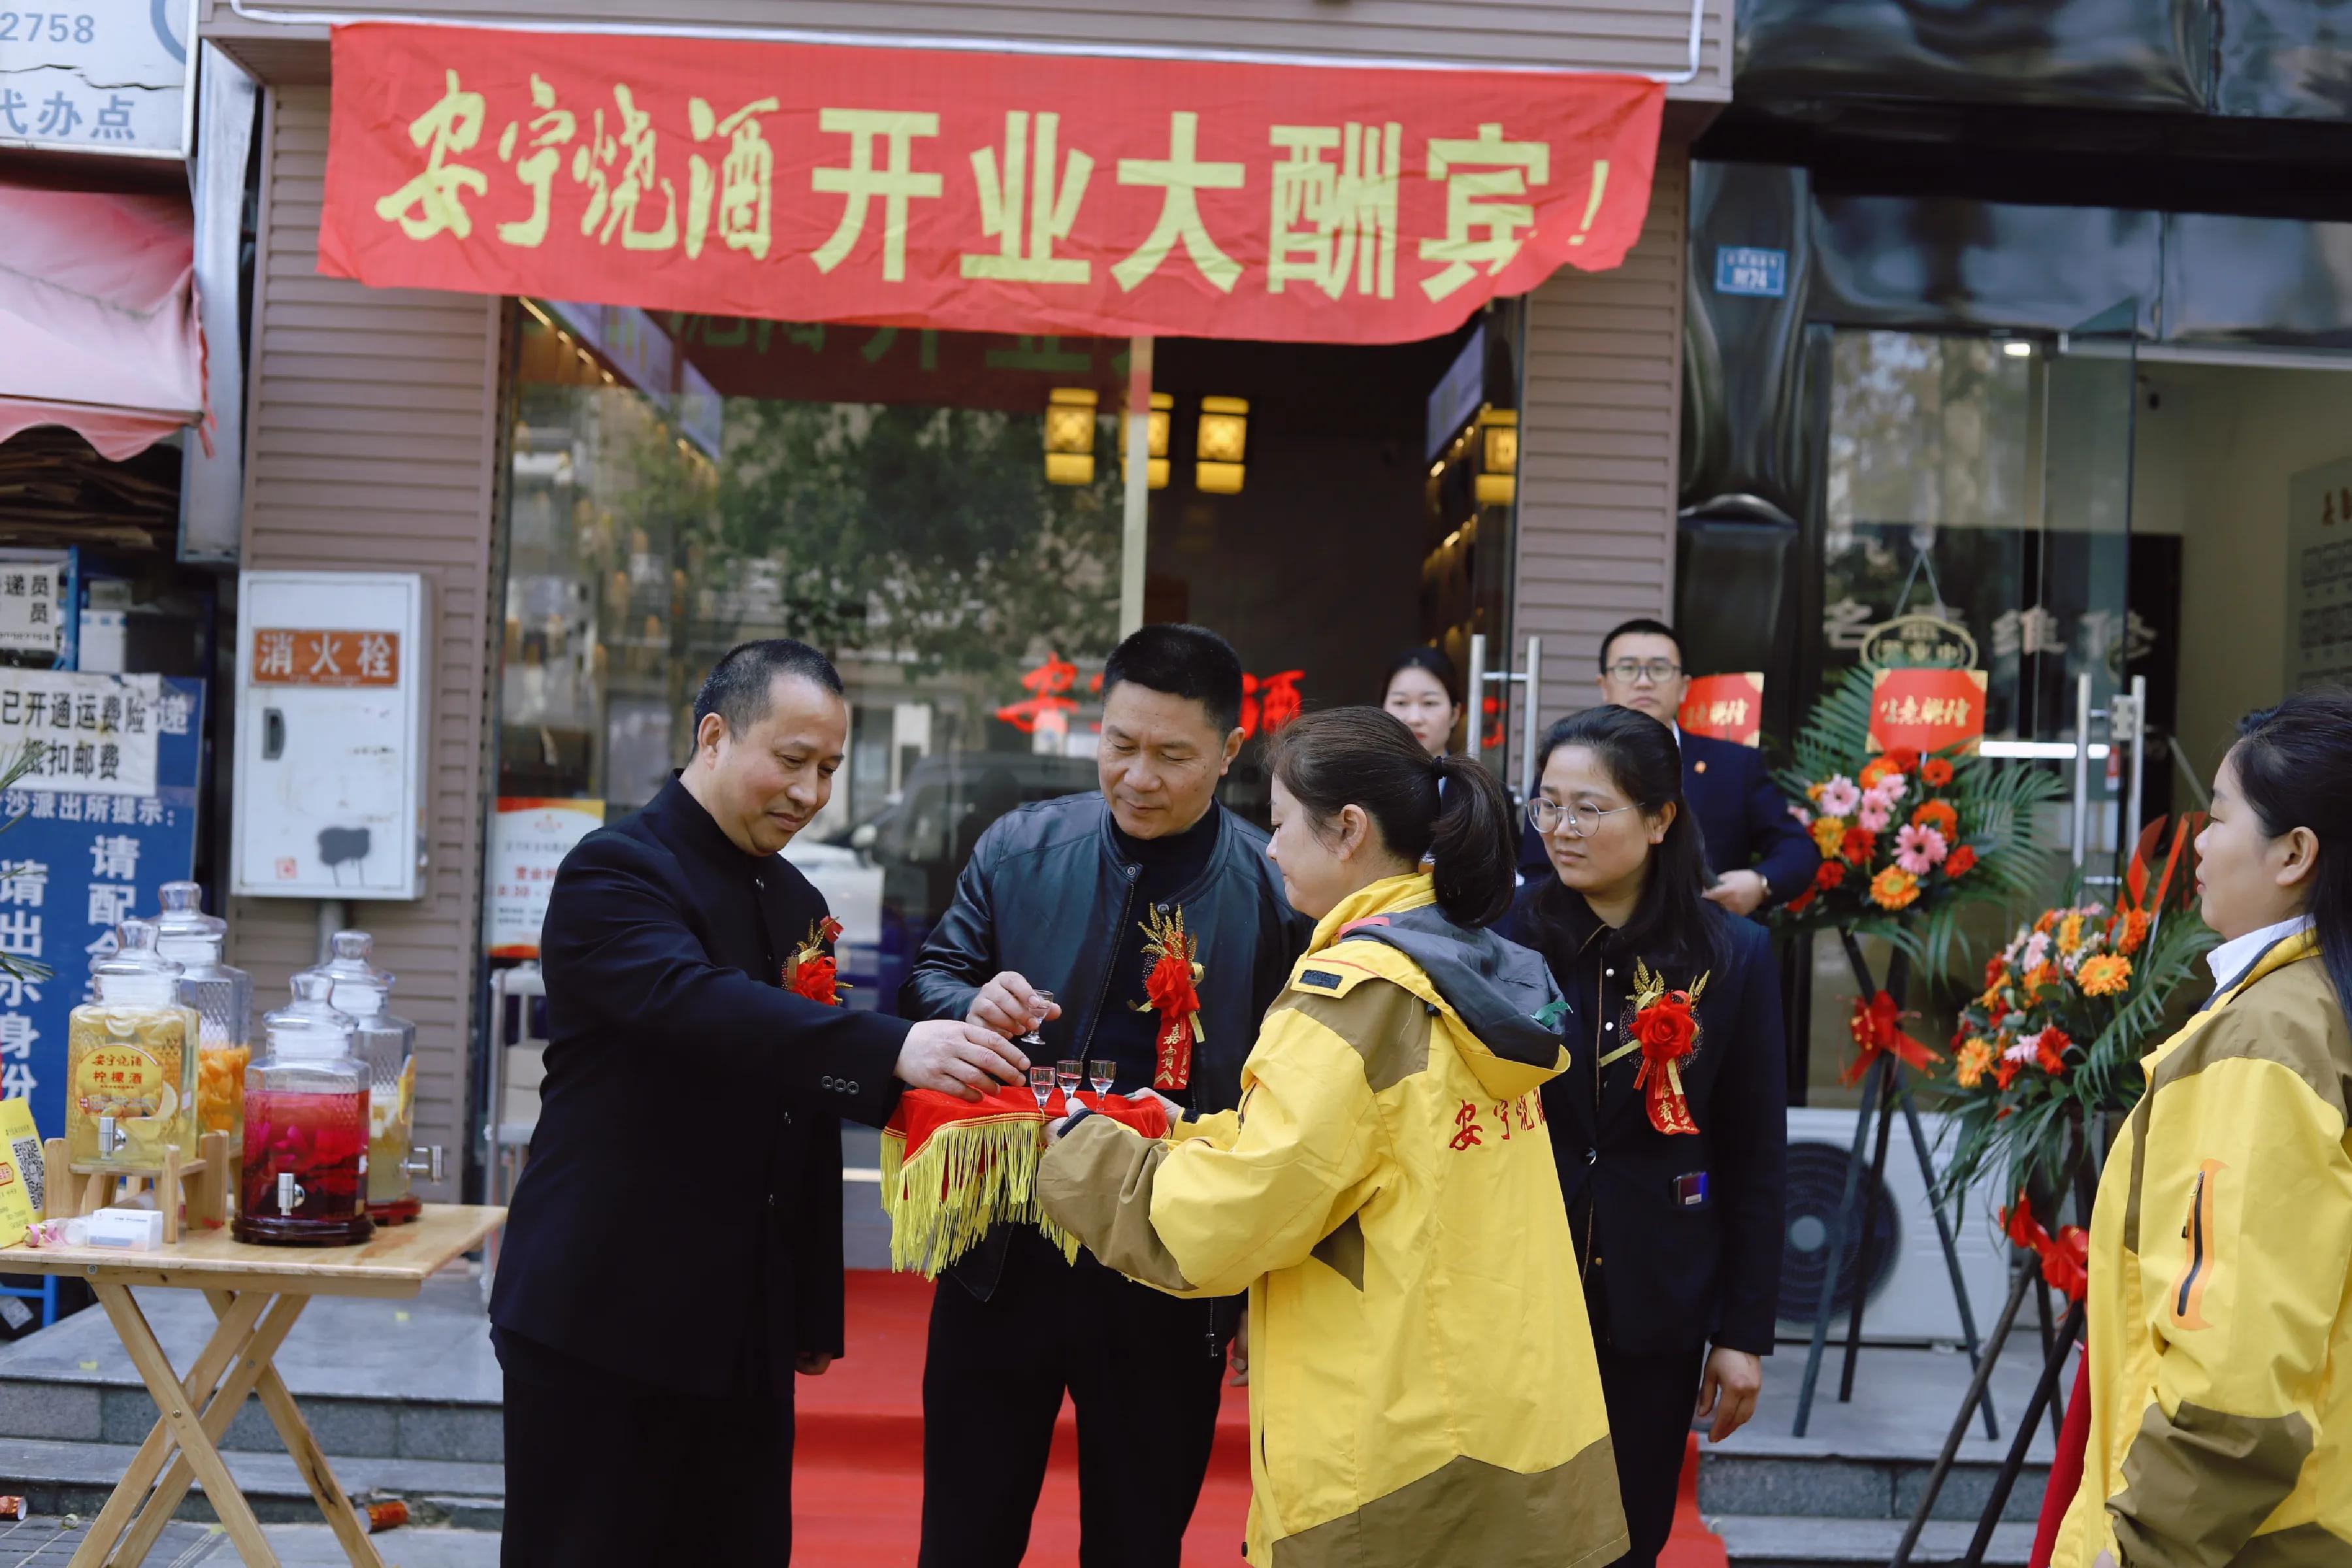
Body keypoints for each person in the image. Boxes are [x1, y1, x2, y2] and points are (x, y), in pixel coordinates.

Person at [1037, 707, 1628, 1568]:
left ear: (1348, 830)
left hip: (1394, 1443)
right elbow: (1357, 1154)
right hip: (1519, 1413)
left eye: (1281, 825)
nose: (1270, 849)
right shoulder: (1480, 966)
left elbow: (1228, 1221)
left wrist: (1083, 1153)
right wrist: (1191, 1132)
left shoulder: (1353, 993)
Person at [489, 640, 1028, 1568]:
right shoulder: (614, 872)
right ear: (713, 736)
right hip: (602, 1308)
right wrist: (897, 1048)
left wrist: (812, 1307)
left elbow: (802, 1109)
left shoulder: (797, 898)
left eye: (828, 769)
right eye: (790, 760)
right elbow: (696, 1007)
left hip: (738, 1325)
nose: (811, 792)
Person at [902, 623, 1312, 1568]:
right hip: (1004, 1243)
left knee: (1137, 1536)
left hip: (1167, 1260)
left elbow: (1293, 1086)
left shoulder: (1273, 885)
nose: (1138, 777)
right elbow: (929, 978)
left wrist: (1256, 1274)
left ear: (1229, 753)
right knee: (964, 1531)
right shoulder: (1020, 846)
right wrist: (972, 999)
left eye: (1173, 756)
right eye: (1120, 746)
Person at [2052, 687, 2352, 1568]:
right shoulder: (2311, 1012)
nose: (2199, 842)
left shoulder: (2271, 1037)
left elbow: (2237, 1370)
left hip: (2249, 1539)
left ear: (2295, 852)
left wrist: (2140, 1542)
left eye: (2218, 816)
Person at [1505, 705, 1787, 1568]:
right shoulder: (1506, 940)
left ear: (1660, 819)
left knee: (1628, 1538)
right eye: (1548, 805)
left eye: (1590, 808)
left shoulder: (1731, 954)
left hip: (1655, 1296)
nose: (1562, 828)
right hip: (1515, 1293)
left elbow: (1753, 1154)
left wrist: (1743, 1333)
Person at [1518, 618, 1819, 917]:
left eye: (1659, 669)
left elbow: (1795, 847)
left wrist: (1759, 883)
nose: (1644, 681)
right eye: (1627, 668)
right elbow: (1536, 869)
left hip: (1709, 934)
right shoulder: (1568, 761)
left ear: (1684, 687)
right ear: (1604, 686)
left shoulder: (1735, 764)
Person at [1380, 645, 1464, 758]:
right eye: (1401, 703)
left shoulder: (1471, 776)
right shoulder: (1362, 775)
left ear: (1454, 714)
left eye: (1429, 703)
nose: (1414, 719)